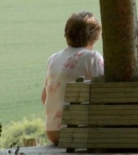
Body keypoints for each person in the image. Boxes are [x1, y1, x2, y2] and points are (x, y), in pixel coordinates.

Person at [42, 11, 104, 145]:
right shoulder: (91, 57)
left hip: (52, 131)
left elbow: (44, 97)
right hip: (76, 131)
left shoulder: (52, 59)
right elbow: (104, 95)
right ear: (94, 36)